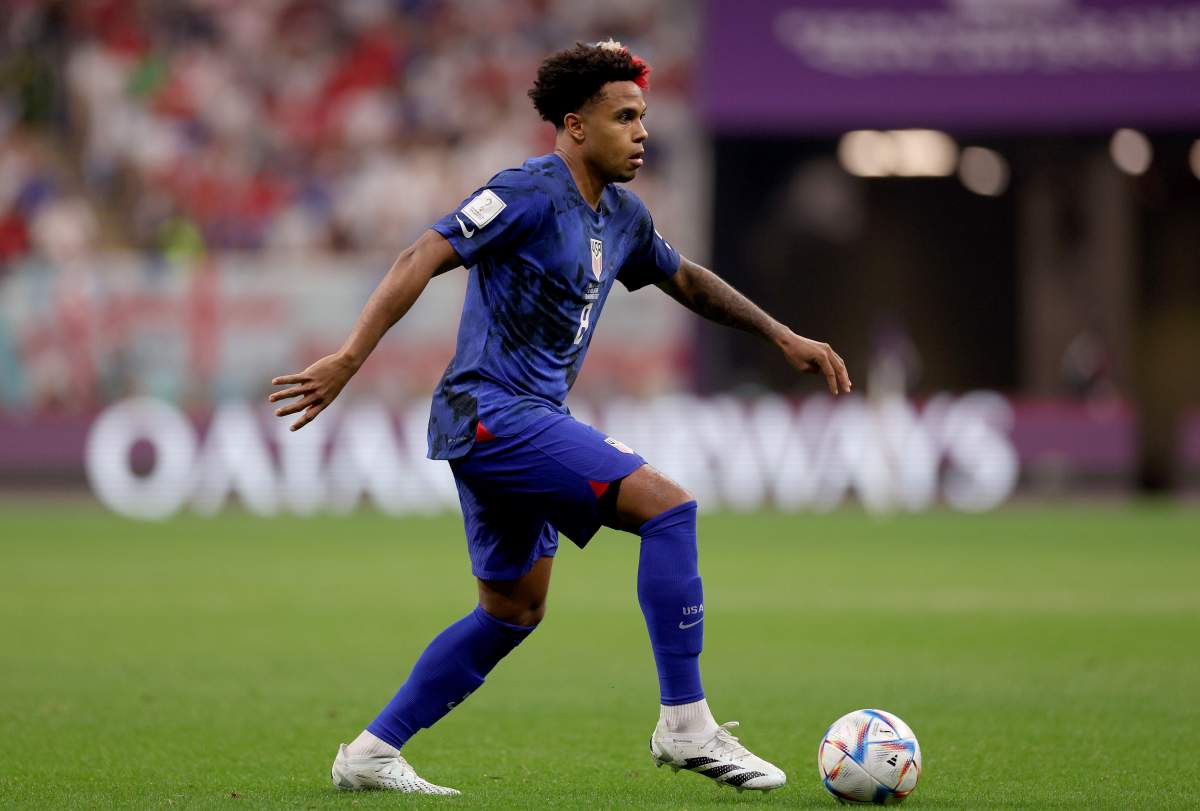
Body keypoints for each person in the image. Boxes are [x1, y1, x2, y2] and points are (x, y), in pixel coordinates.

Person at [269, 40, 852, 797]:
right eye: (624, 117)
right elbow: (421, 255)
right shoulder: (526, 192)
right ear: (575, 125)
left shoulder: (624, 217)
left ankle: (370, 752)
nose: (642, 132)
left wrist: (780, 335)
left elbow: (688, 281)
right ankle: (686, 724)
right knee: (669, 509)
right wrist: (350, 357)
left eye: (643, 116)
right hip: (491, 410)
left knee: (512, 610)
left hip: (519, 417)